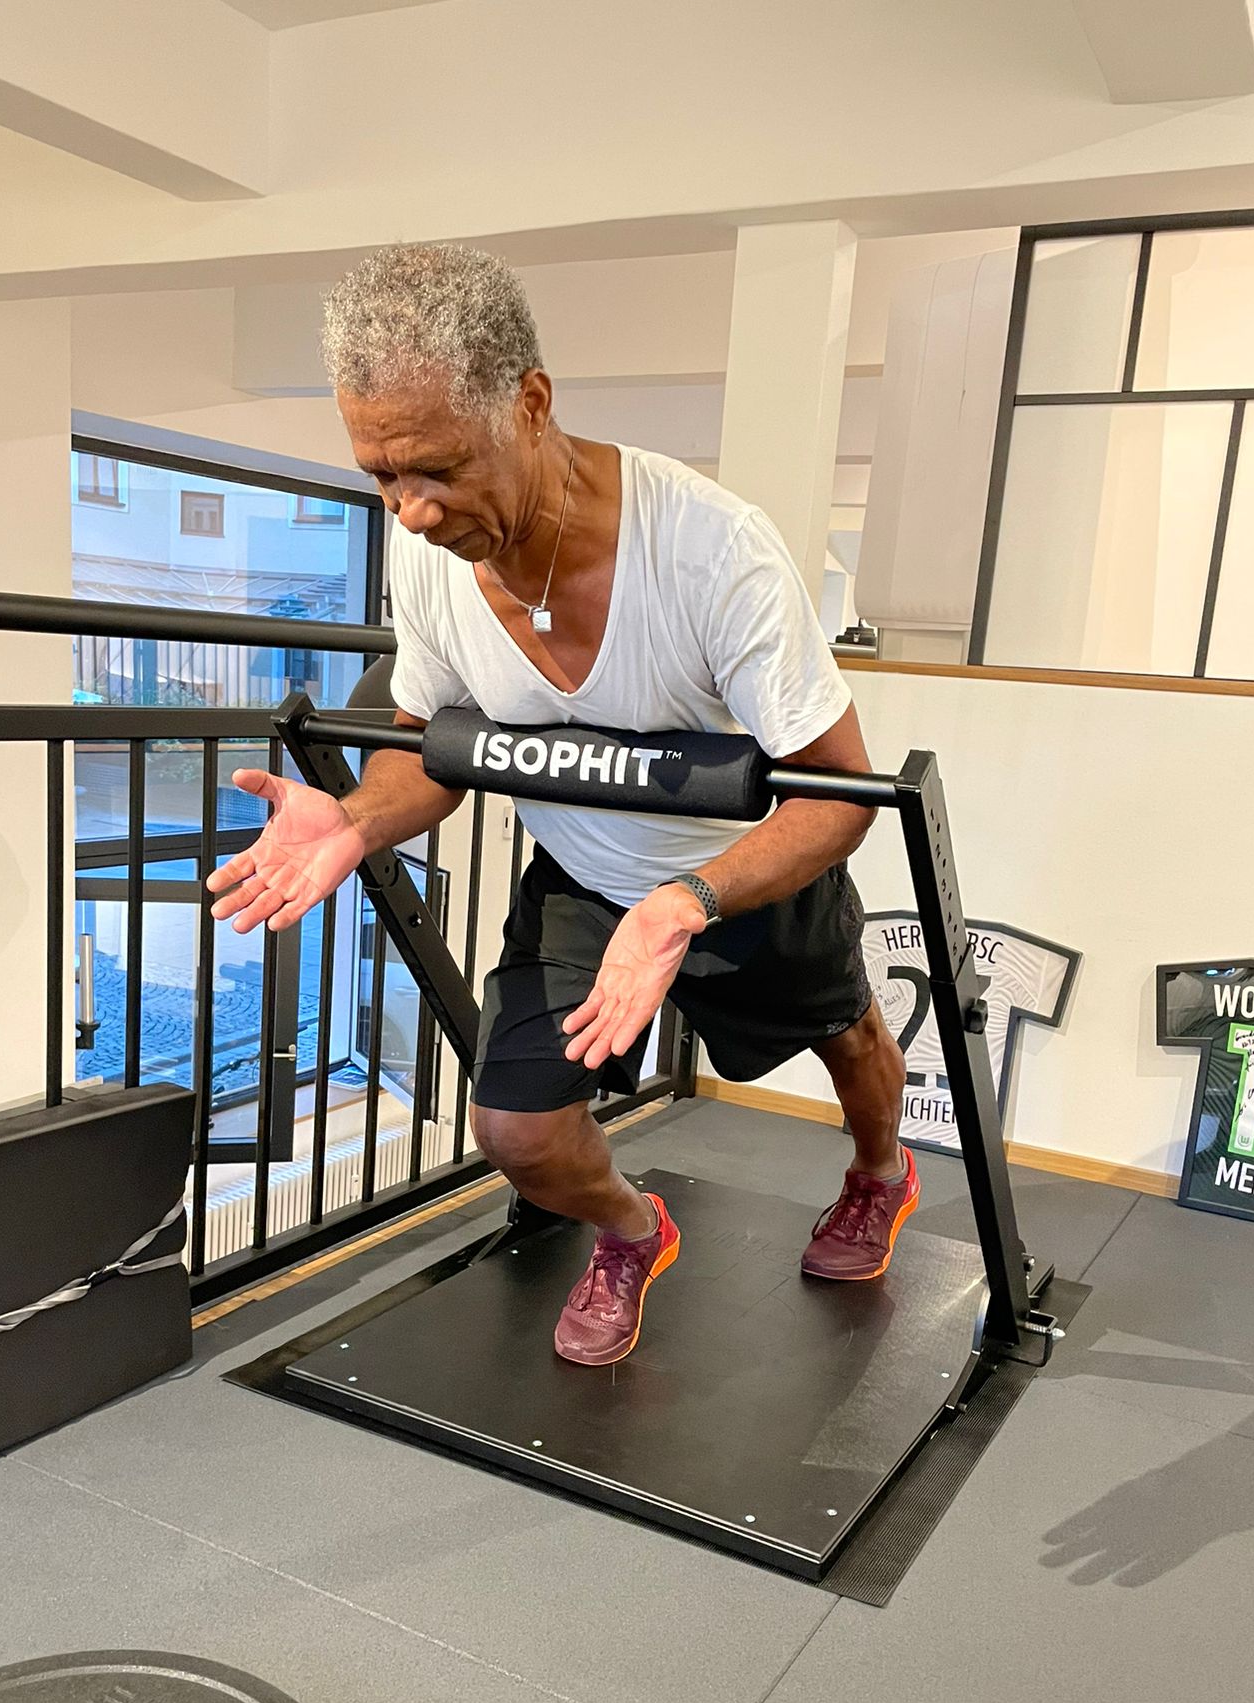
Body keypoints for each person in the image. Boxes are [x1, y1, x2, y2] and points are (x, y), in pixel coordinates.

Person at [209, 244, 916, 1367]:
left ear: (530, 403)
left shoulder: (711, 550)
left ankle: (881, 1172)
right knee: (516, 1129)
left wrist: (686, 902)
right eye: (382, 478)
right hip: (584, 874)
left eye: (438, 469)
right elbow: (430, 749)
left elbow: (838, 796)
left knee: (848, 1041)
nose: (412, 511)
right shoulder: (429, 558)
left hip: (740, 867)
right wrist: (355, 820)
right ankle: (633, 1230)